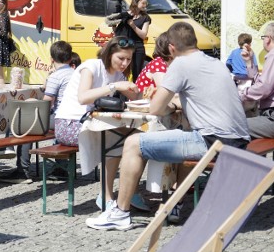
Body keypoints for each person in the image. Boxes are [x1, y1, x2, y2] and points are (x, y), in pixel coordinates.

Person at [86, 22, 250, 231]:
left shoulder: (180, 64)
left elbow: (154, 108)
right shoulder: (215, 62)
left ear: (172, 47)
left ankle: (120, 212)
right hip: (240, 140)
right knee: (183, 135)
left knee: (133, 143)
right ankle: (174, 202)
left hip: (212, 142)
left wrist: (166, 102)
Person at [55, 36, 140, 209]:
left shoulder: (117, 74)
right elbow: (83, 97)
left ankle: (130, 191)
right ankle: (106, 196)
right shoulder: (91, 66)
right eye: (121, 58)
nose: (124, 63)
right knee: (115, 139)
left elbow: (135, 97)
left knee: (137, 138)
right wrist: (114, 86)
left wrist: (139, 92)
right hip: (68, 124)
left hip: (92, 122)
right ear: (109, 54)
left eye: (128, 59)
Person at [0, 40, 75, 184]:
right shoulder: (75, 73)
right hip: (76, 118)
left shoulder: (56, 76)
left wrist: (31, 102)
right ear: (70, 58)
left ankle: (22, 170)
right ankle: (61, 169)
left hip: (62, 119)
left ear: (51, 59)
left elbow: (46, 104)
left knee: (24, 124)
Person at [239, 22, 274, 139]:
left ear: (268, 39)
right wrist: (249, 62)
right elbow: (264, 83)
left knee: (232, 126)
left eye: (263, 37)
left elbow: (263, 88)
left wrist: (240, 95)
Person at [106, 0, 151, 81]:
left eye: (146, 3)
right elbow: (118, 33)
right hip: (124, 46)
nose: (145, 5)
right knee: (121, 73)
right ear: (136, 3)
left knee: (137, 74)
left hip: (138, 47)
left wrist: (133, 25)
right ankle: (119, 92)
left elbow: (143, 35)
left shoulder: (145, 18)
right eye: (143, 3)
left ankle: (137, 92)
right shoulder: (124, 15)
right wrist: (114, 26)